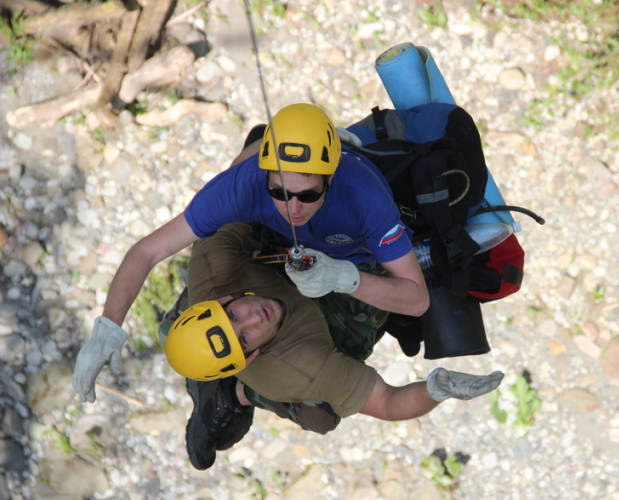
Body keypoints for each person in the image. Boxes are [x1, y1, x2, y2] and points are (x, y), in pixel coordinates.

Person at [73, 102, 431, 401]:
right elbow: (148, 251)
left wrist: (343, 277)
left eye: (308, 195)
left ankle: (242, 396)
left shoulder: (364, 198)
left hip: (353, 262)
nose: (293, 208)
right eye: (279, 192)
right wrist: (108, 328)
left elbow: (416, 300)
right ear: (265, 171)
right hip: (273, 255)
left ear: (330, 178)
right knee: (176, 335)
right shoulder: (242, 185)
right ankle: (226, 392)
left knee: (317, 386)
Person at [157, 223, 503, 470]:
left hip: (270, 267)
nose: (254, 319)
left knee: (168, 332)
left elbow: (235, 189)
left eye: (233, 315)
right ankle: (235, 395)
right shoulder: (294, 367)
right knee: (320, 415)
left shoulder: (214, 264)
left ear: (226, 298)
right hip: (315, 330)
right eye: (244, 338)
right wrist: (436, 391)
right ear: (251, 355)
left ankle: (185, 328)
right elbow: (386, 402)